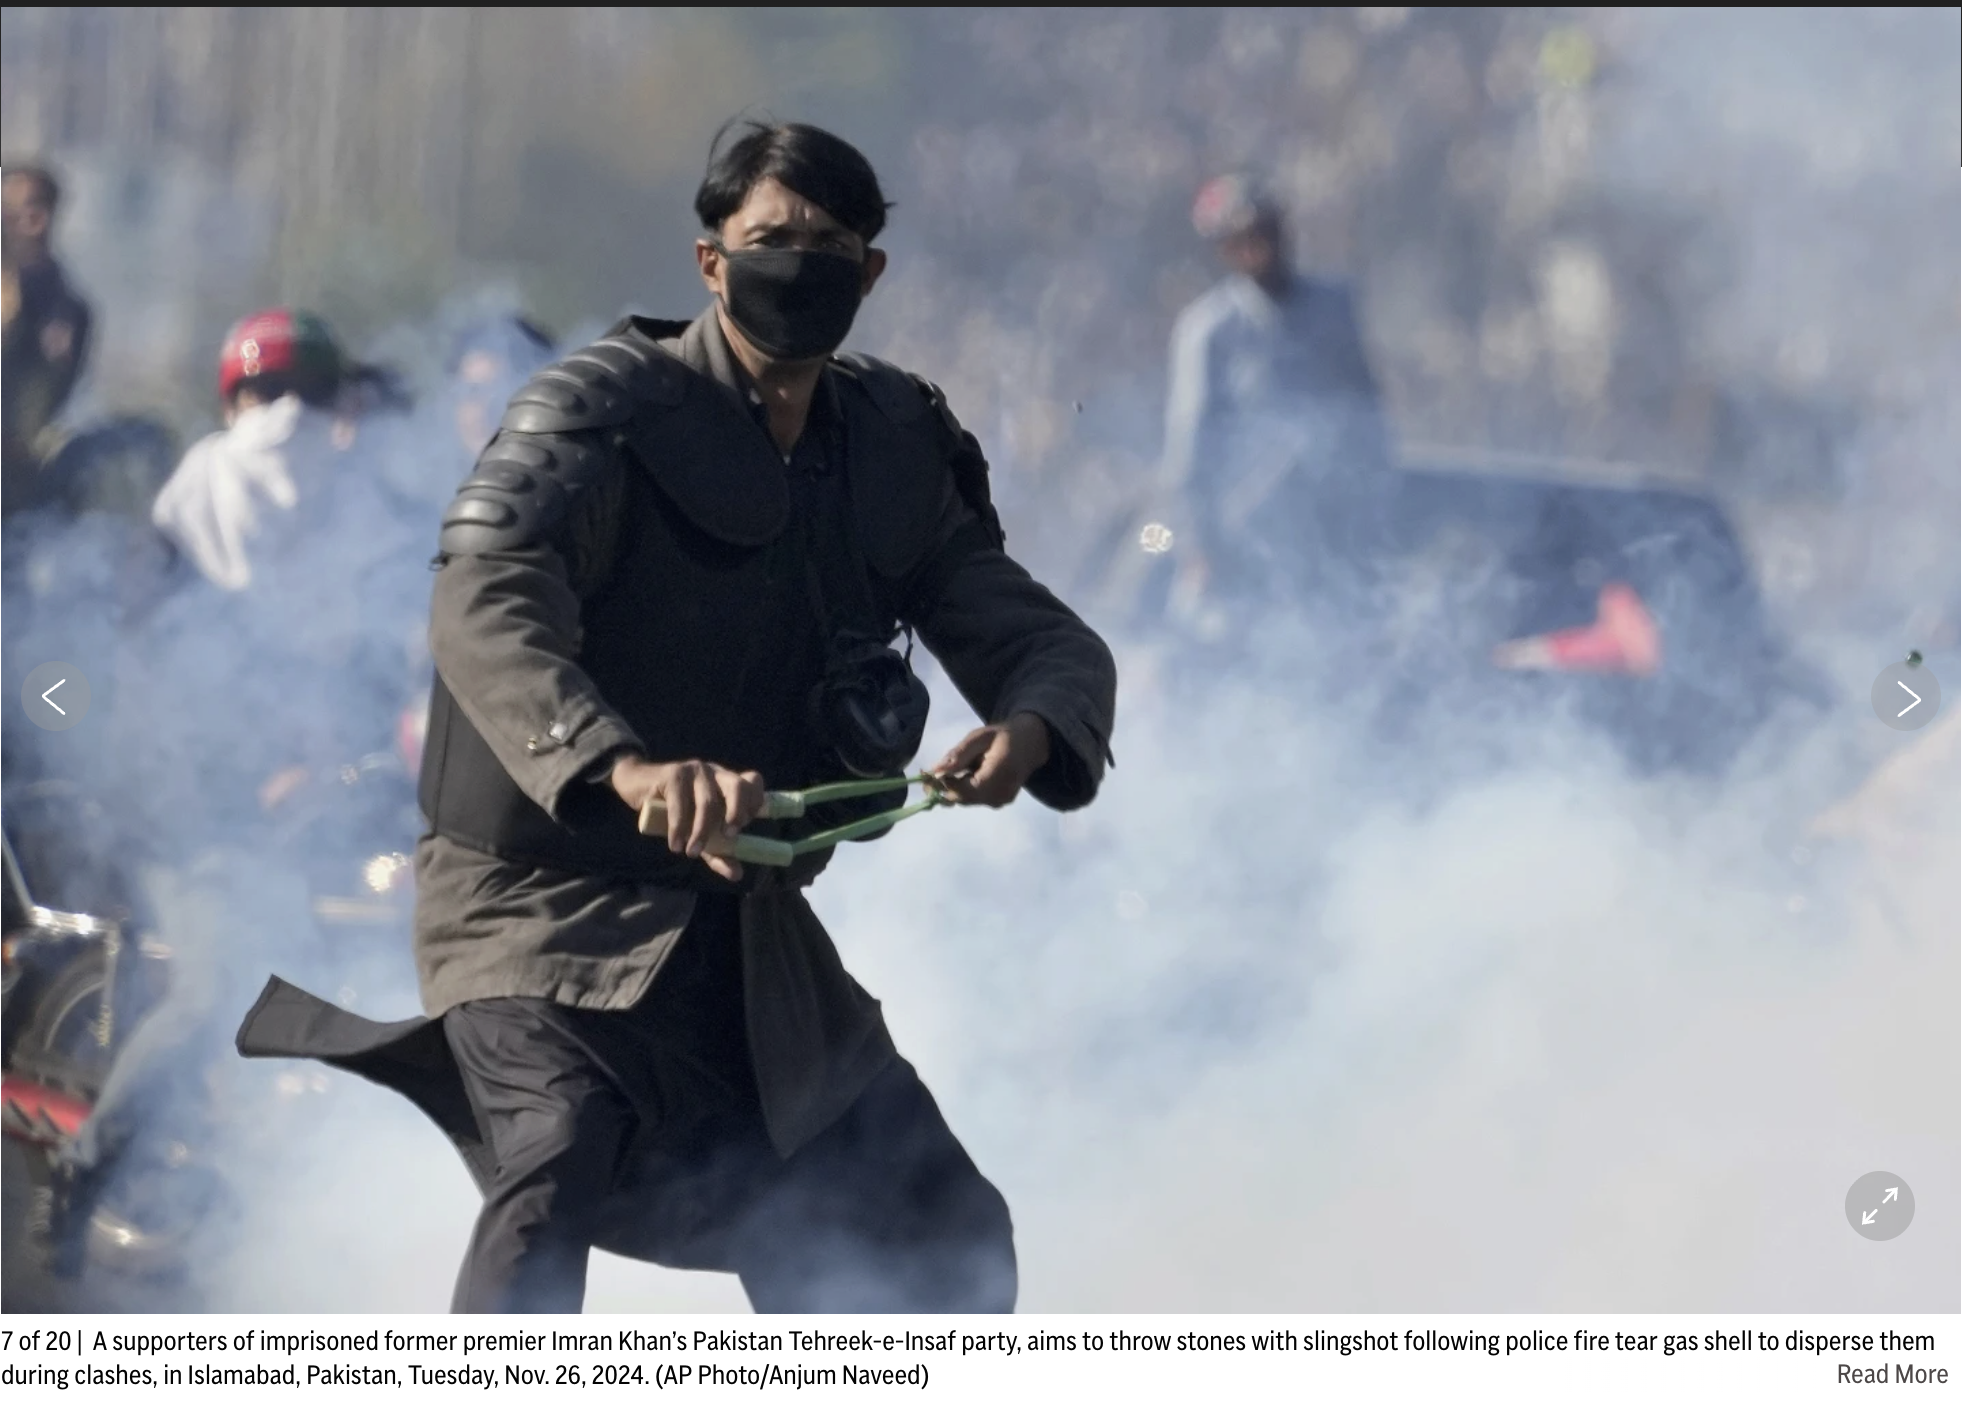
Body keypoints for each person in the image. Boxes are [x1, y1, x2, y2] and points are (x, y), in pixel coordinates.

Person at [237, 119, 1118, 1314]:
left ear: (870, 275)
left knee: (939, 1226)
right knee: (554, 1156)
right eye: (771, 237)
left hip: (742, 930)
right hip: (536, 907)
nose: (798, 263)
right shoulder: (602, 413)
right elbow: (485, 599)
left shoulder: (889, 447)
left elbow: (1041, 640)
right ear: (711, 261)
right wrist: (626, 768)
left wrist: (1033, 727)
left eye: (830, 245)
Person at [1154, 173, 1395, 616]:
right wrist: (1200, 545)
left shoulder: (1334, 307)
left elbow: (1368, 412)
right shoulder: (1211, 329)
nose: (1259, 247)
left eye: (1266, 232)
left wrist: (1374, 504)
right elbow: (1190, 447)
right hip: (1247, 536)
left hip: (1332, 530)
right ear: (1225, 249)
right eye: (1242, 239)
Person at [2, 162, 94, 517]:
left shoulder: (66, 309)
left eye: (38, 206)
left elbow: (43, 403)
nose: (28, 219)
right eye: (13, 210)